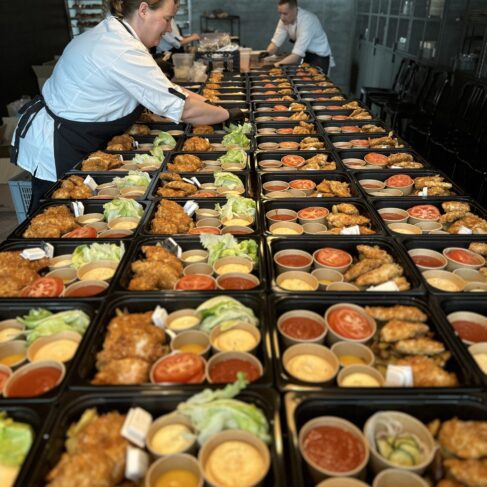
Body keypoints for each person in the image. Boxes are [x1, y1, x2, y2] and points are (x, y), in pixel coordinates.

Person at [11, 0, 244, 213]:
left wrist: (210, 105)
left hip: (77, 134)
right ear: (143, 10)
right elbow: (184, 108)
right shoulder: (121, 48)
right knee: (55, 214)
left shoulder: (116, 34)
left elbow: (169, 89)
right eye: (167, 19)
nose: (168, 29)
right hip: (61, 143)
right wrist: (226, 114)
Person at [265, 0, 334, 72]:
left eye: (285, 13)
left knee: (315, 79)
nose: (282, 17)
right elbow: (275, 43)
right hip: (306, 54)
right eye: (280, 13)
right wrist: (266, 54)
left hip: (320, 57)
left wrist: (275, 65)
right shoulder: (284, 20)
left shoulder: (307, 21)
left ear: (295, 9)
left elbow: (296, 56)